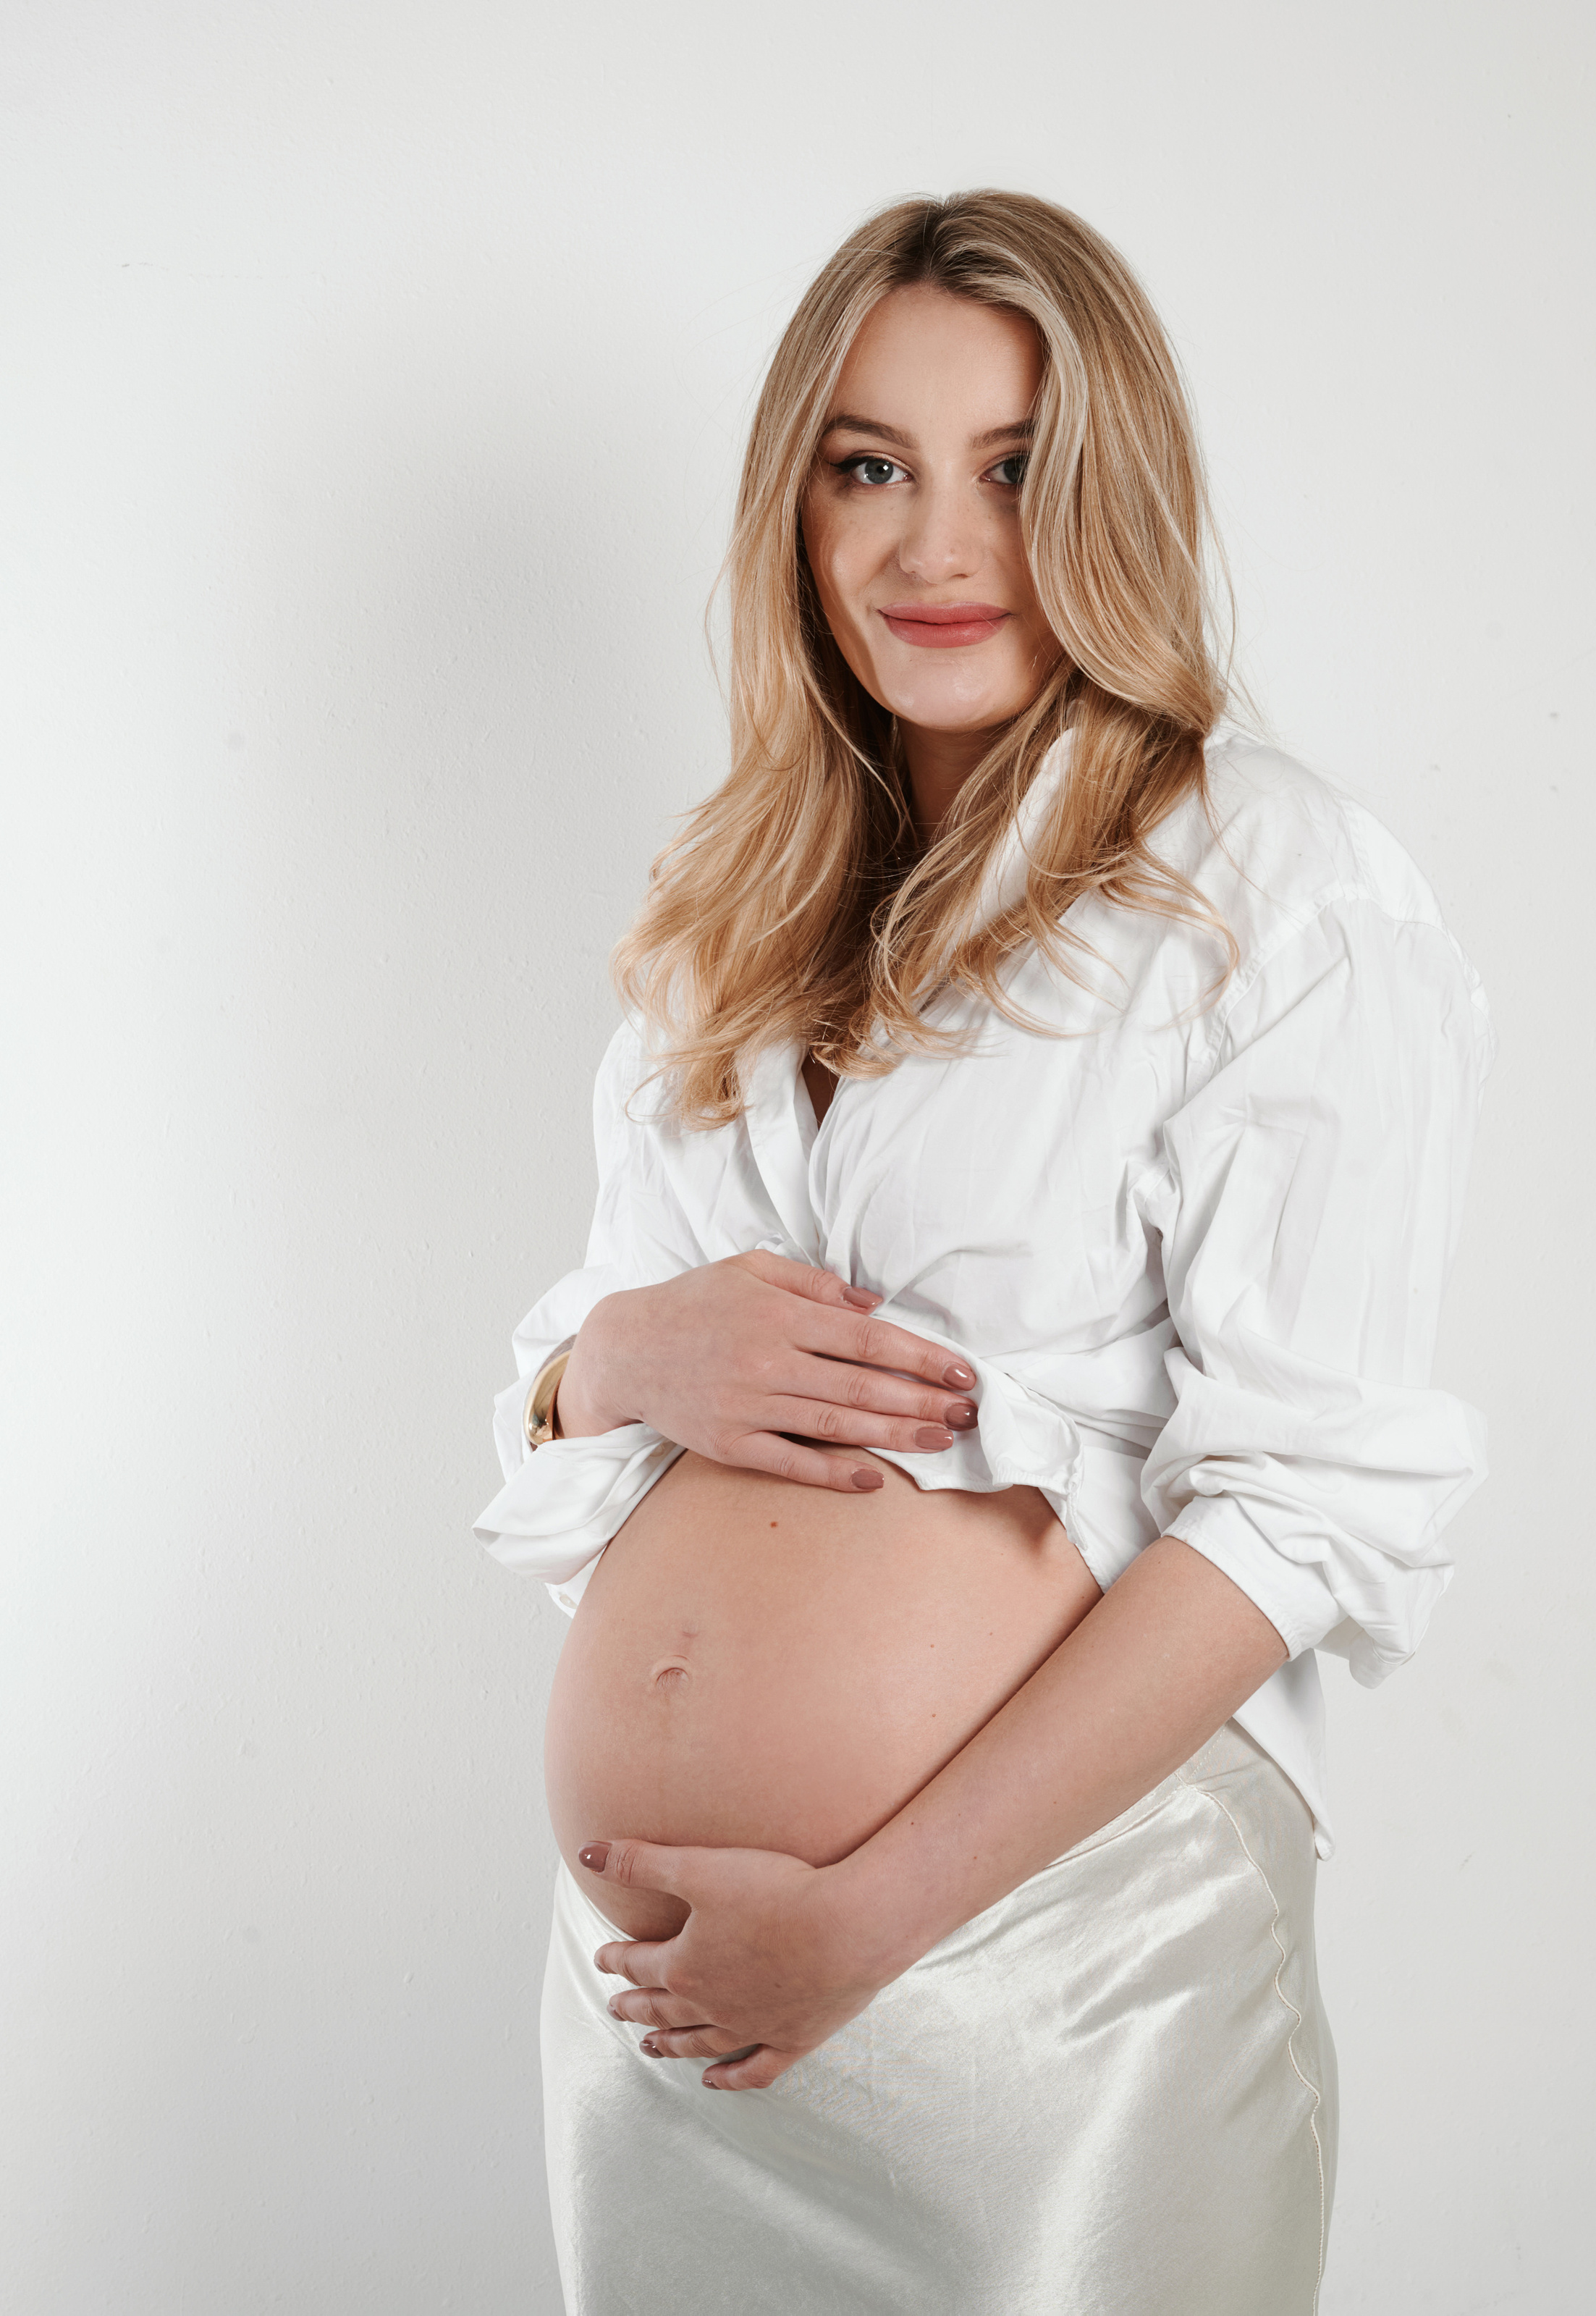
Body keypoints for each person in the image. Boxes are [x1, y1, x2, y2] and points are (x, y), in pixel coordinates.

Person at [475, 189, 1492, 2316]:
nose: (936, 544)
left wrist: (867, 1917)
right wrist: (613, 1364)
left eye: (1016, 470)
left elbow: (1309, 1506)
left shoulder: (1277, 885)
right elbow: (585, 1420)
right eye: (870, 466)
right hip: (667, 2011)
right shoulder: (728, 913)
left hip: (1055, 1978)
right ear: (795, 505)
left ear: (1119, 499)